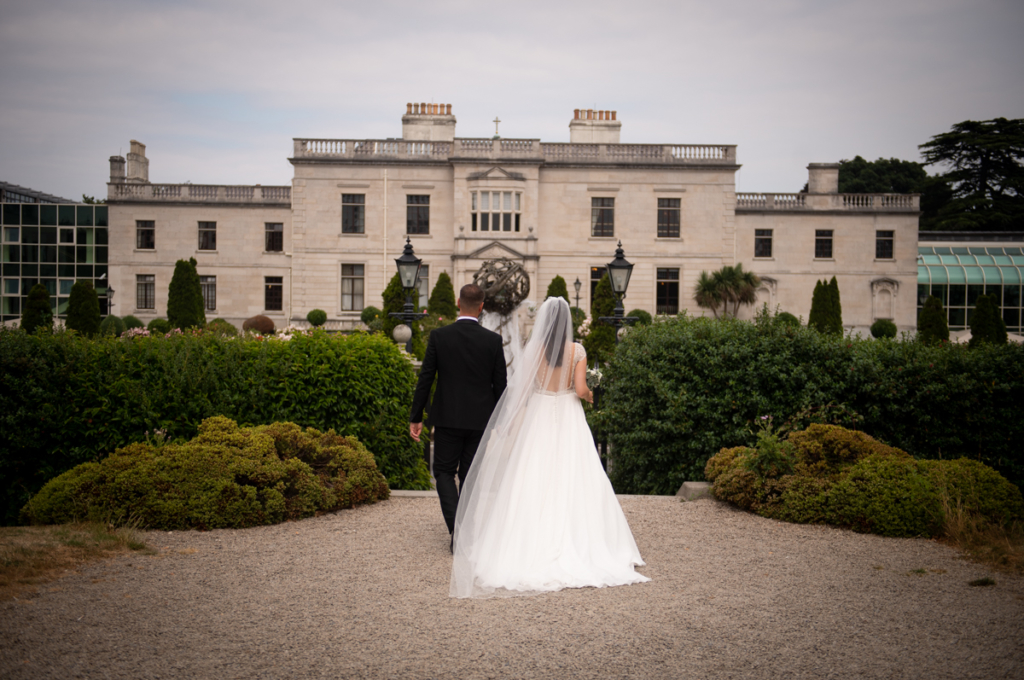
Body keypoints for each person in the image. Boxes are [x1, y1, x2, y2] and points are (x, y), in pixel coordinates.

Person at [449, 297, 649, 598]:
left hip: (540, 415)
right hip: (568, 415)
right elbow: (580, 389)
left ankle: (525, 542)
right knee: (577, 473)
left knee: (533, 474)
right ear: (567, 321)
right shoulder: (577, 350)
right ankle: (586, 541)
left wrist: (508, 423)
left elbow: (523, 391)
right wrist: (589, 394)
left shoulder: (535, 350)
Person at [410, 283, 507, 551]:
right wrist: (501, 423)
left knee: (442, 472)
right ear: (481, 307)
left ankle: (457, 531)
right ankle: (463, 532)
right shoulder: (493, 340)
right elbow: (501, 386)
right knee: (470, 477)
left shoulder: (439, 336)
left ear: (457, 302)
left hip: (447, 418)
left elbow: (425, 379)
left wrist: (415, 417)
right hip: (480, 421)